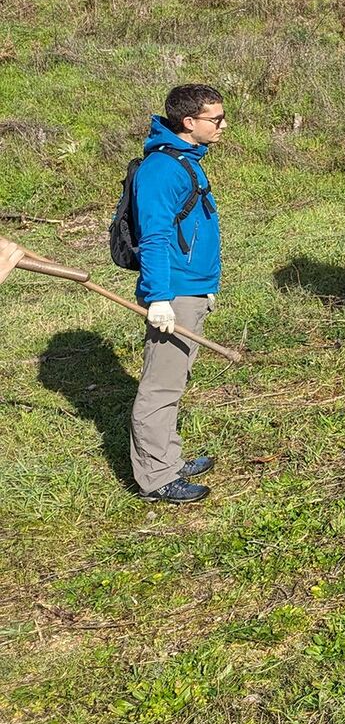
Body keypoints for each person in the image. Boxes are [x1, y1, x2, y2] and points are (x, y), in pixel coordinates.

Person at [130, 85, 226, 504]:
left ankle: (167, 457)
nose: (223, 126)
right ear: (189, 123)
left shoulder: (186, 160)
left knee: (177, 376)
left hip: (193, 288)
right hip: (175, 293)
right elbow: (153, 237)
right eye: (216, 120)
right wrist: (159, 297)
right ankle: (155, 477)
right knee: (161, 385)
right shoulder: (161, 170)